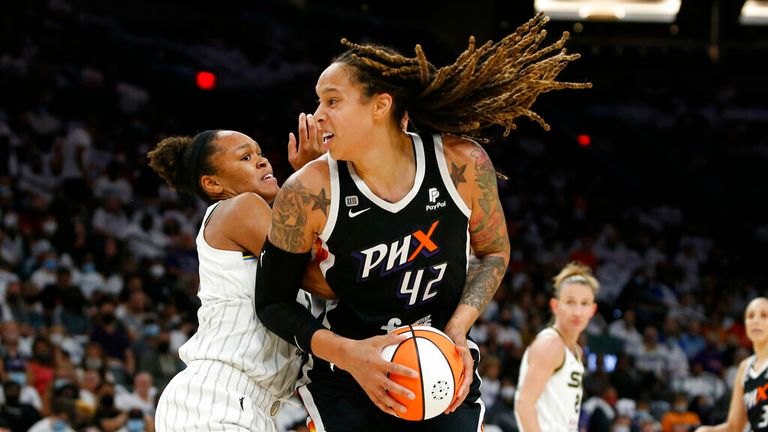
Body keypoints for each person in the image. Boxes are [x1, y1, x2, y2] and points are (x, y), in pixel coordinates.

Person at [255, 12, 590, 432]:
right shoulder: (306, 192)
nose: (318, 114)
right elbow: (272, 303)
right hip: (348, 373)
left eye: (333, 100)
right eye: (319, 101)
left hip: (441, 363)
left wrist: (457, 329)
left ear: (381, 105)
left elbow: (493, 251)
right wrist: (345, 353)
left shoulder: (461, 163)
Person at [146, 128, 330, 431]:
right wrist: (316, 175)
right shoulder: (241, 207)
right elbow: (322, 280)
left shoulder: (257, 218)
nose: (262, 161)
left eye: (259, 153)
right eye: (245, 157)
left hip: (253, 406)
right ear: (213, 183)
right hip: (218, 397)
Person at [514, 262, 599, 432]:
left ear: (593, 310)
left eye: (585, 303)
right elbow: (524, 404)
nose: (577, 311)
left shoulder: (575, 350)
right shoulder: (551, 345)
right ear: (555, 305)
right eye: (570, 302)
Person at [694, 297, 768, 432]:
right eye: (750, 316)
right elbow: (734, 426)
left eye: (764, 315)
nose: (756, 321)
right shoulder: (745, 367)